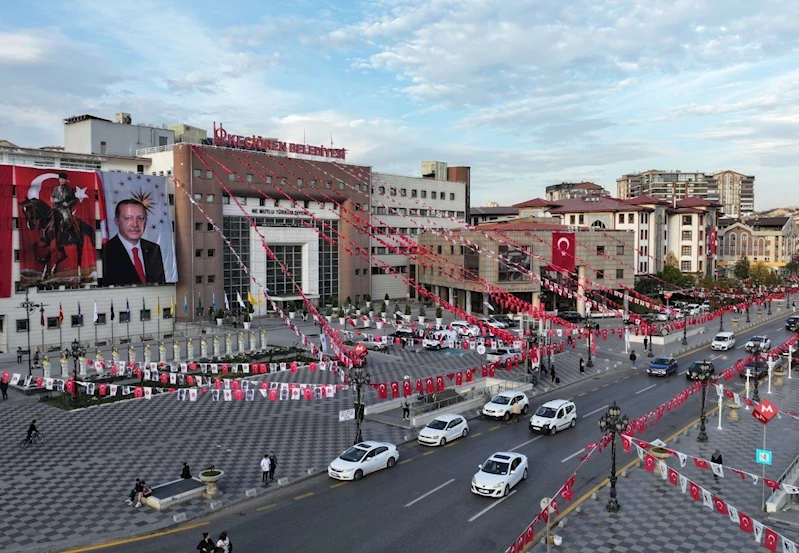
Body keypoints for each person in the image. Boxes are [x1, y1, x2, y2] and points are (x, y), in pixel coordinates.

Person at [102, 199, 166, 286]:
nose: (135, 224)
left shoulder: (153, 249)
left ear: (146, 221)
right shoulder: (106, 251)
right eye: (128, 218)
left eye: (140, 218)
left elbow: (159, 285)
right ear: (117, 221)